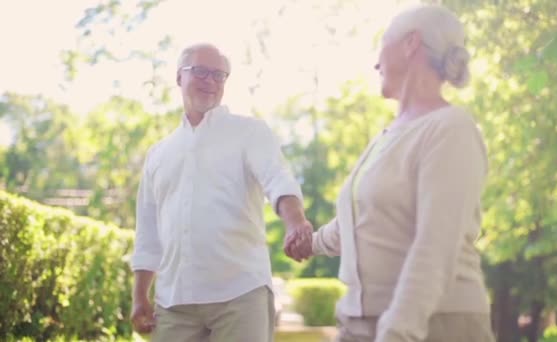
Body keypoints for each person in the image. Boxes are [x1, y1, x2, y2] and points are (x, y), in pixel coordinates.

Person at [286, 4, 495, 342]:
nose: (376, 62)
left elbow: (435, 245)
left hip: (434, 323)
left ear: (411, 44)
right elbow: (359, 222)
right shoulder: (385, 138)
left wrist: (398, 331)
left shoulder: (450, 128)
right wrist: (310, 242)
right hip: (360, 322)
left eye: (383, 44)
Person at [130, 42, 313, 342]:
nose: (210, 81)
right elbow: (148, 232)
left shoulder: (250, 132)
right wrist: (140, 296)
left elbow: (278, 180)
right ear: (179, 77)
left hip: (240, 295)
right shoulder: (158, 154)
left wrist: (296, 223)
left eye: (219, 75)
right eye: (200, 71)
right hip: (175, 303)